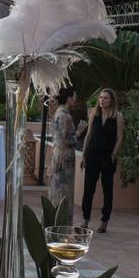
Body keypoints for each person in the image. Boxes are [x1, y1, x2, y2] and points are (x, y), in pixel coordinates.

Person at [81, 88, 124, 233]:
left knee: (108, 189)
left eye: (105, 98)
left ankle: (104, 221)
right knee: (88, 189)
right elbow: (88, 136)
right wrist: (84, 155)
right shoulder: (94, 113)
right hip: (92, 154)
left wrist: (113, 155)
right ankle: (85, 219)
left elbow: (119, 138)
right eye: (100, 97)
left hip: (107, 157)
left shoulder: (117, 117)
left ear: (111, 100)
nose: (102, 100)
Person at [48, 88, 86, 223]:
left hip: (58, 155)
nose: (75, 100)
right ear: (69, 98)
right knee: (64, 191)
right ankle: (62, 223)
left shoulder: (58, 113)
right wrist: (79, 132)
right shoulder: (65, 116)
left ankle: (54, 221)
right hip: (65, 157)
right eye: (74, 97)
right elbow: (68, 140)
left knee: (57, 188)